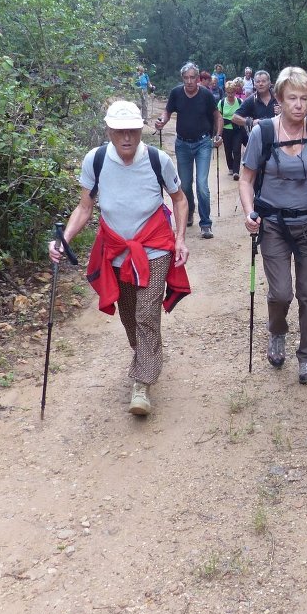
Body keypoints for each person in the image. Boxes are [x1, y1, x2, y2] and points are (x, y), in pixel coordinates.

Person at [49, 100, 190, 417]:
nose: (126, 138)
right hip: (115, 250)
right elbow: (85, 208)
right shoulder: (96, 160)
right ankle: (146, 353)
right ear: (109, 131)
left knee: (146, 313)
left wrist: (179, 239)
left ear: (140, 130)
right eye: (119, 132)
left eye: (132, 131)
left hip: (153, 247)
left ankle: (142, 384)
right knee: (129, 317)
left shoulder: (157, 159)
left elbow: (179, 200)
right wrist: (63, 238)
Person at [240, 67, 307, 385]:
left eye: (304, 99)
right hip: (272, 224)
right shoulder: (264, 133)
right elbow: (246, 179)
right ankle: (277, 332)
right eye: (292, 98)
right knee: (282, 292)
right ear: (280, 101)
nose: (298, 104)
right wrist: (249, 213)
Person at [154, 62, 223, 239]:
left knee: (201, 184)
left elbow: (217, 116)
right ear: (182, 78)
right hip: (182, 144)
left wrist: (218, 135)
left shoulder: (206, 94)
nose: (190, 81)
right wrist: (162, 121)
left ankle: (206, 223)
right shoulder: (176, 93)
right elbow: (167, 112)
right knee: (184, 185)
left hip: (203, 143)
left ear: (198, 78)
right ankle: (189, 211)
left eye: (193, 77)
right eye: (186, 78)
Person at [218, 78, 246, 180]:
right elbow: (219, 118)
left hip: (237, 129)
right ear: (226, 92)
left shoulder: (240, 101)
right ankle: (230, 167)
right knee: (228, 150)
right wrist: (218, 133)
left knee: (237, 150)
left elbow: (244, 114)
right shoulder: (221, 103)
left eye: (232, 92)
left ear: (235, 91)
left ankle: (236, 171)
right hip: (226, 130)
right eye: (228, 92)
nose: (230, 95)